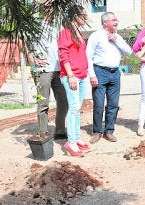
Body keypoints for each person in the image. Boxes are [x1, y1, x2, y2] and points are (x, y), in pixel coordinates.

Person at [87, 12, 132, 144]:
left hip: (115, 73)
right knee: (99, 104)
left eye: (116, 19)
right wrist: (92, 75)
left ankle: (109, 131)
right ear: (105, 22)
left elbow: (129, 51)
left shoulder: (117, 36)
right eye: (113, 20)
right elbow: (88, 56)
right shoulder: (96, 36)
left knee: (113, 104)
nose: (116, 22)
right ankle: (97, 131)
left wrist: (116, 39)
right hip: (99, 72)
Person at [58, 5, 91, 157]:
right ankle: (70, 142)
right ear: (75, 16)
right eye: (83, 16)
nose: (85, 18)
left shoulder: (78, 32)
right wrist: (70, 75)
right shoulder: (65, 32)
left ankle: (77, 138)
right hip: (72, 76)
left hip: (82, 76)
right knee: (73, 109)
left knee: (77, 109)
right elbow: (64, 55)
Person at [28, 17, 68, 140]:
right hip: (42, 70)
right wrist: (32, 58)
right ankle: (43, 131)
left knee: (64, 102)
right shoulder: (34, 24)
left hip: (59, 70)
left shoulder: (59, 25)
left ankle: (60, 130)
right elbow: (25, 44)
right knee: (43, 103)